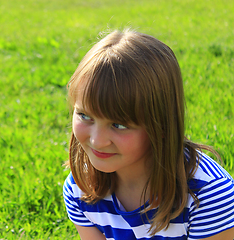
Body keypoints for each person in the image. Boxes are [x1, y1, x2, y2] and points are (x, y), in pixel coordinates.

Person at [62, 29, 234, 239]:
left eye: (118, 125)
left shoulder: (209, 195)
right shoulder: (81, 187)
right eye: (85, 116)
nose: (97, 140)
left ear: (161, 124)